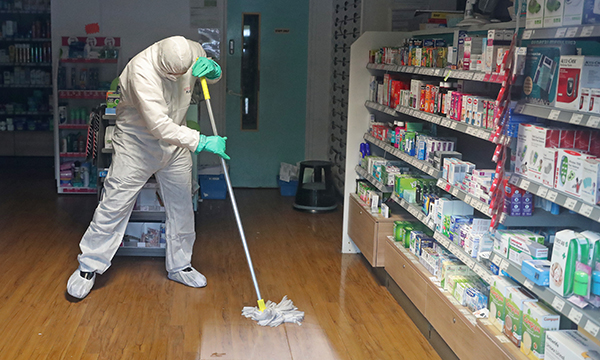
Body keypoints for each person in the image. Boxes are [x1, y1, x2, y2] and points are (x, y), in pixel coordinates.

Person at [67, 36, 228, 299]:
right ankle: (88, 266)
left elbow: (210, 75)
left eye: (182, 73)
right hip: (137, 146)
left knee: (181, 206)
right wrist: (201, 141)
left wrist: (214, 71)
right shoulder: (139, 70)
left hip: (175, 145)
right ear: (161, 63)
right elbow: (159, 127)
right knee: (114, 205)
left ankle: (180, 265)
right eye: (172, 74)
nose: (178, 78)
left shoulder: (191, 51)